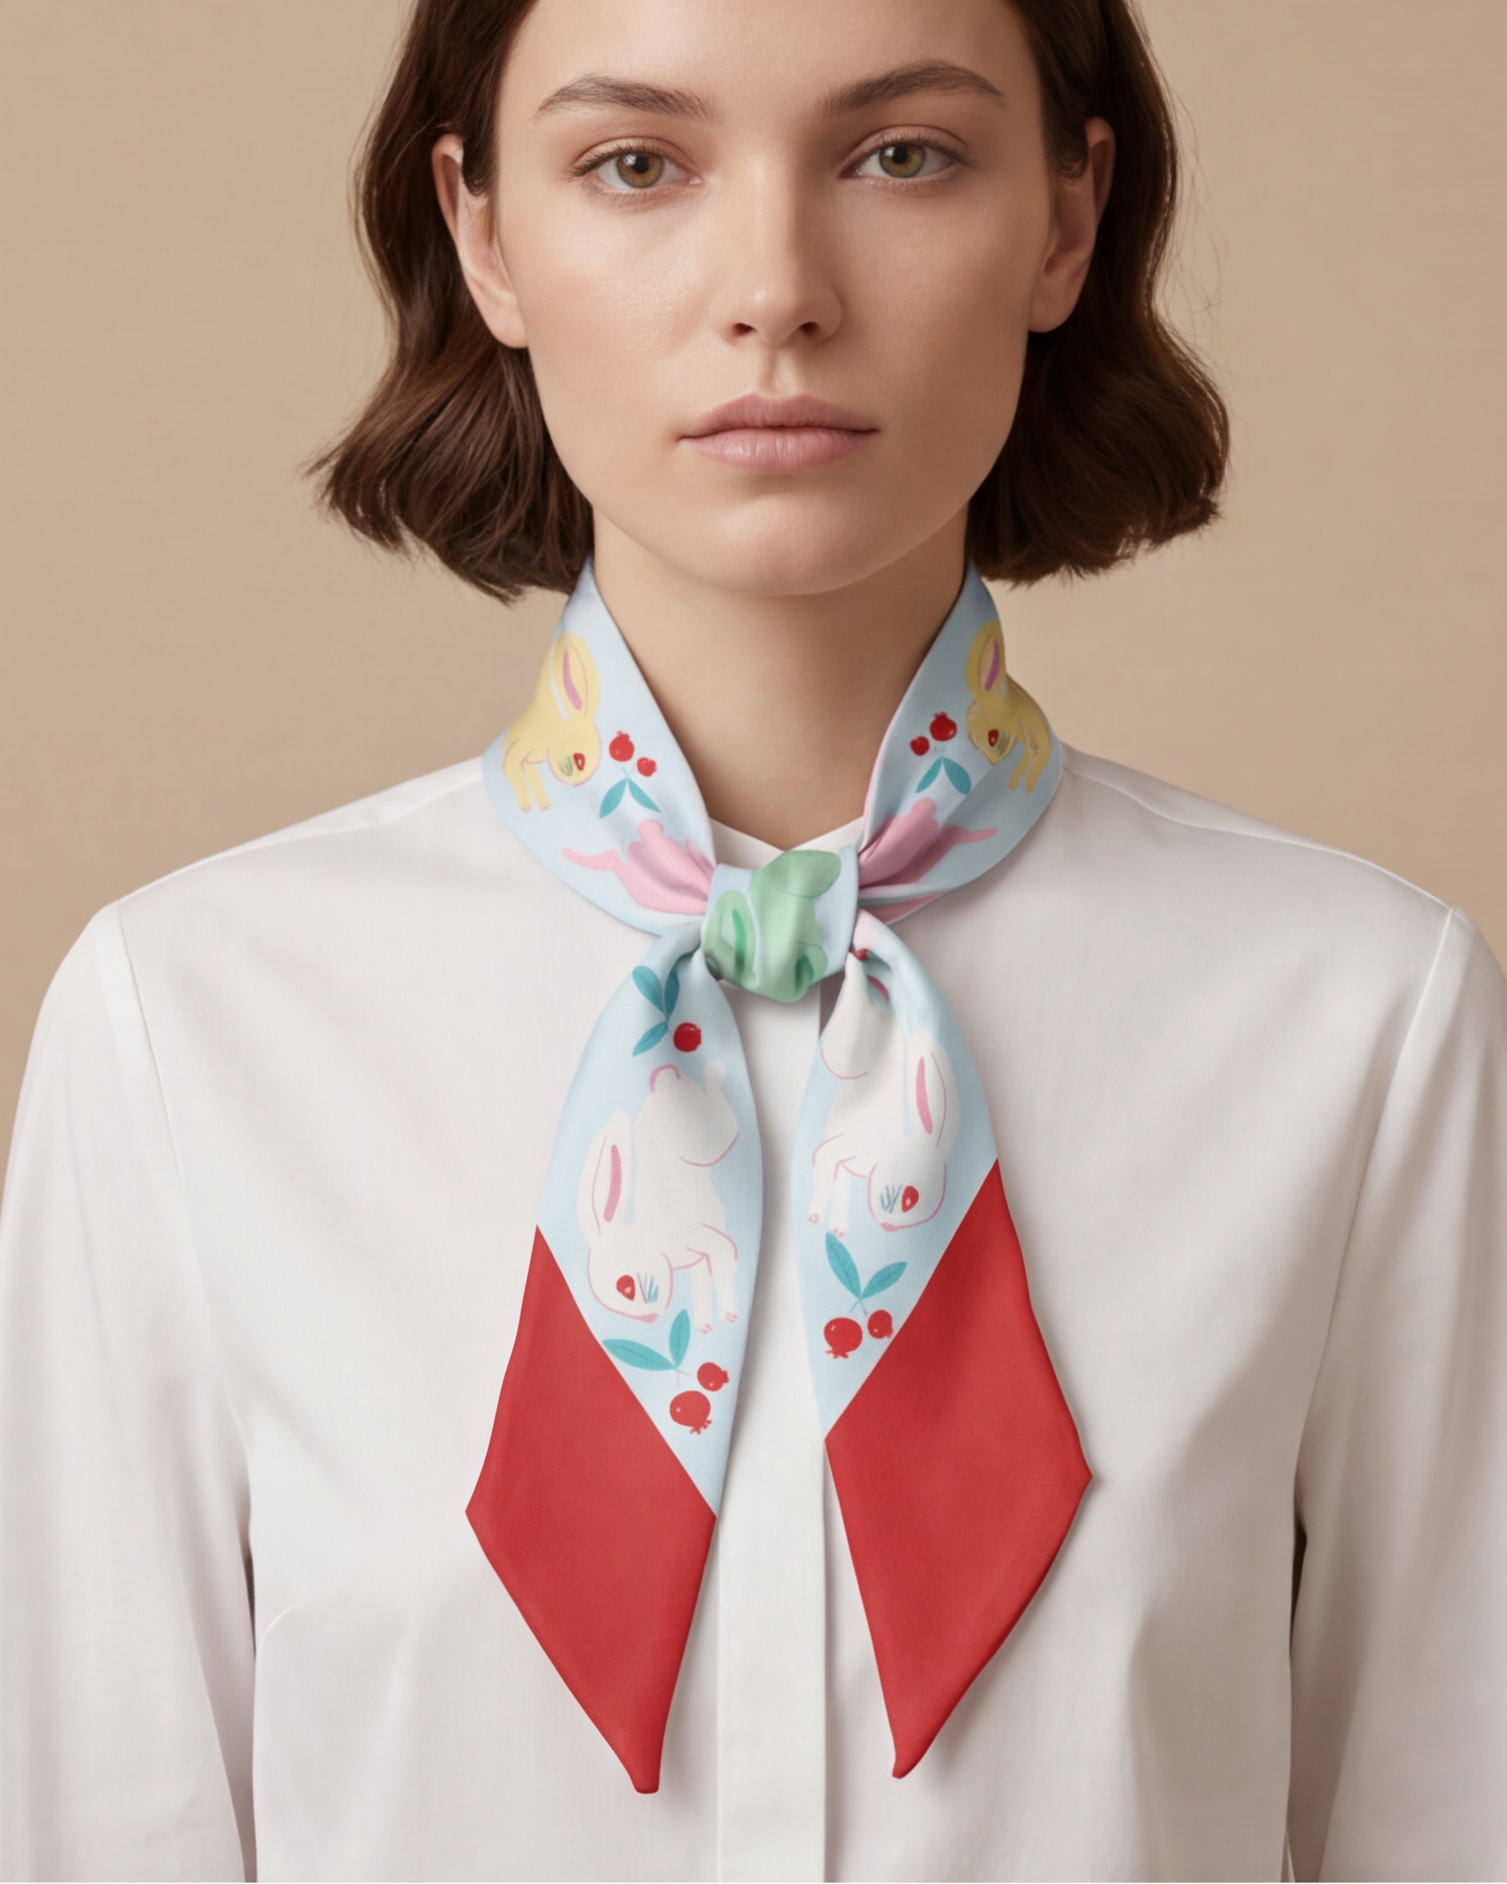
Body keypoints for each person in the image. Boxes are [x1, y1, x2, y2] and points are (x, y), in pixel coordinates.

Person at [1, 0, 1503, 1878]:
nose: (776, 290)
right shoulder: (185, 1028)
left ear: (1063, 219)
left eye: (902, 155)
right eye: (637, 163)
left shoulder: (1360, 1021)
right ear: (484, 233)